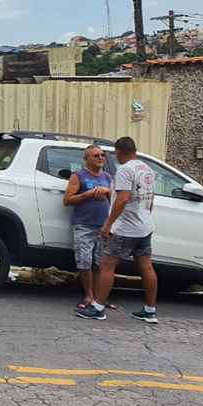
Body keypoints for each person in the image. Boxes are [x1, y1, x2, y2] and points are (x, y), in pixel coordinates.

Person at [75, 136, 159, 323]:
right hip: (145, 226)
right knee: (146, 267)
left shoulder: (125, 170)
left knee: (106, 265)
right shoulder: (147, 169)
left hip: (126, 229)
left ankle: (98, 308)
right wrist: (144, 215)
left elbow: (122, 199)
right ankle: (150, 310)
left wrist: (109, 224)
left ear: (119, 152)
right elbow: (150, 199)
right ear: (135, 150)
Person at [62, 144, 114, 311]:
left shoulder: (107, 177)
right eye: (96, 155)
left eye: (102, 155)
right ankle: (89, 296)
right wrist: (89, 194)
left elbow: (115, 198)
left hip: (103, 226)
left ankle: (99, 298)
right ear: (86, 159)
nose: (100, 158)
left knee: (100, 263)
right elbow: (67, 200)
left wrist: (107, 191)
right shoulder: (78, 175)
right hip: (83, 225)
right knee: (85, 261)